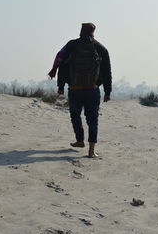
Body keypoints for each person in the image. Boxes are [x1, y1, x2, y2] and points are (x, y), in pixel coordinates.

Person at [48, 23, 112, 157]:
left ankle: (80, 140)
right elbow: (107, 71)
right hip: (92, 90)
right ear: (93, 32)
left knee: (75, 115)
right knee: (93, 119)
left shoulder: (71, 45)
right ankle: (91, 150)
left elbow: (62, 67)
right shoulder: (100, 48)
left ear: (81, 31)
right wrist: (107, 91)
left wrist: (60, 86)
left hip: (75, 89)